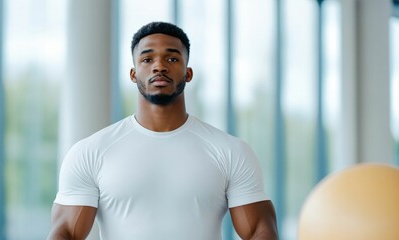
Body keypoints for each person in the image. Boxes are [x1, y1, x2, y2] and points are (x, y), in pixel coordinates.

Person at [48, 21, 278, 240]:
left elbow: (260, 230)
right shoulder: (90, 152)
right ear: (133, 73)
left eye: (171, 58)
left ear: (188, 73)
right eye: (147, 59)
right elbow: (65, 232)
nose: (159, 66)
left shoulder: (231, 151)